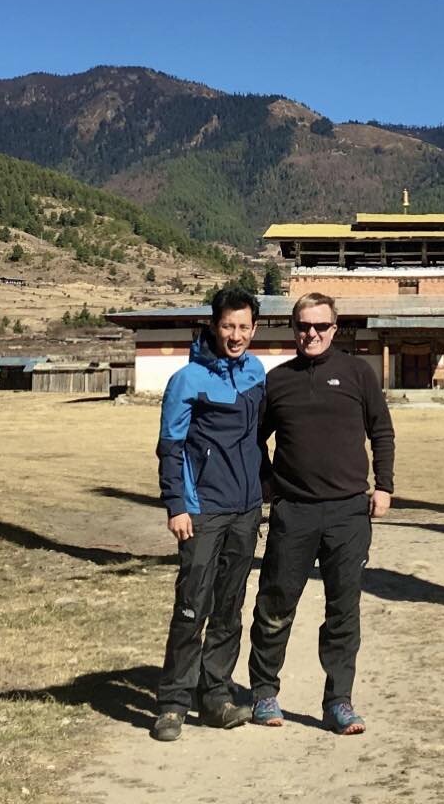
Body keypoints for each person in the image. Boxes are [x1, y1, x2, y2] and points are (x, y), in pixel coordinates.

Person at [248, 291, 394, 735]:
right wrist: (272, 486)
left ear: (335, 328)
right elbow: (254, 441)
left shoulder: (357, 373)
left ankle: (339, 701)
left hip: (349, 513)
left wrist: (384, 486)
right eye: (303, 327)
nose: (311, 334)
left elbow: (381, 431)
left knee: (343, 609)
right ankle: (263, 692)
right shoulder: (277, 381)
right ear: (293, 329)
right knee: (275, 603)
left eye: (320, 327)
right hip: (295, 513)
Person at [151, 286, 266, 742]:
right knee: (192, 605)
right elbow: (170, 446)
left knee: (230, 607)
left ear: (254, 328)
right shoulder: (187, 379)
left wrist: (267, 483)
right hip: (202, 511)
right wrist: (176, 505)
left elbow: (258, 438)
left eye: (243, 327)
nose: (235, 335)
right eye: (227, 326)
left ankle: (215, 693)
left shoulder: (256, 371)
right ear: (213, 326)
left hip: (245, 509)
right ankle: (173, 702)